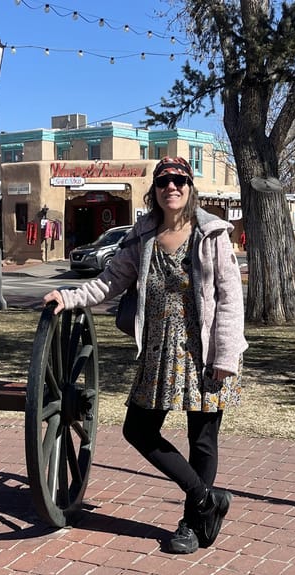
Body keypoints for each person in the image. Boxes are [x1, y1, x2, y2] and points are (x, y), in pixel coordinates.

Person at [43, 157, 247, 554]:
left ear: (190, 187)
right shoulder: (142, 237)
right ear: (154, 191)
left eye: (179, 181)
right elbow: (107, 283)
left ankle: (191, 522)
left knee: (201, 439)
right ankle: (207, 499)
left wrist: (226, 354)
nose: (172, 187)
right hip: (158, 350)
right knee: (137, 430)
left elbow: (230, 298)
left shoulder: (211, 233)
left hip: (203, 350)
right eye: (164, 181)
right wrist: (68, 297)